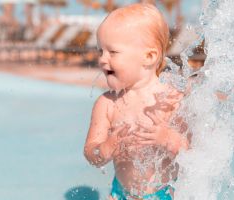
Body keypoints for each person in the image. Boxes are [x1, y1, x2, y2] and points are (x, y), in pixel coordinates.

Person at [84, 3, 189, 200]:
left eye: (112, 52)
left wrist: (168, 139)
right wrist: (105, 148)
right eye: (101, 51)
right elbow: (91, 153)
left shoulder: (172, 101)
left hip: (163, 195)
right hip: (120, 194)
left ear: (149, 56)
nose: (102, 59)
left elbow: (194, 155)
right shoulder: (107, 104)